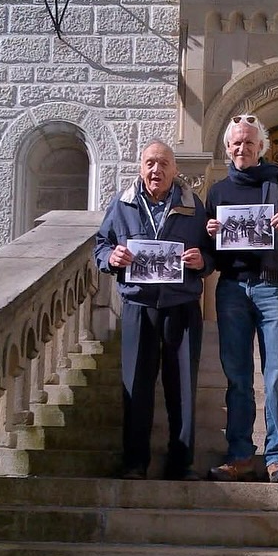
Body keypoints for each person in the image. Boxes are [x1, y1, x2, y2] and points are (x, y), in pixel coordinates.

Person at [205, 114, 278, 483]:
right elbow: (209, 254)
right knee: (237, 376)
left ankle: (276, 455)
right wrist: (210, 233)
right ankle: (240, 454)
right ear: (228, 148)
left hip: (275, 288)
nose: (243, 148)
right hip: (232, 289)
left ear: (261, 148)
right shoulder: (218, 192)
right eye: (237, 143)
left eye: (249, 143)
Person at [95, 140, 213, 481]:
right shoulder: (122, 203)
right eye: (149, 163)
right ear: (141, 167)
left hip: (182, 305)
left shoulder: (193, 205)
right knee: (136, 384)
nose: (156, 170)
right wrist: (111, 257)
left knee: (183, 387)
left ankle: (181, 463)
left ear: (175, 170)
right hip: (138, 305)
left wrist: (203, 261)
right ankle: (135, 462)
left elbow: (211, 251)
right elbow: (101, 245)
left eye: (163, 164)